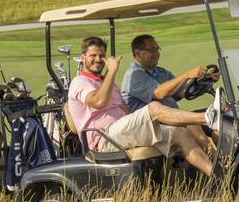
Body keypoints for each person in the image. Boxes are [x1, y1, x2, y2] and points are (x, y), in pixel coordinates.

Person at [68, 36, 222, 177]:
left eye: (101, 55)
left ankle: (218, 177)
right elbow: (98, 102)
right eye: (93, 56)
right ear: (83, 58)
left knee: (181, 132)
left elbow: (125, 110)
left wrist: (205, 79)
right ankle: (208, 118)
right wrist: (112, 71)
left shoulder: (107, 83)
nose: (98, 59)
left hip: (121, 132)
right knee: (154, 107)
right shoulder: (80, 82)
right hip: (103, 138)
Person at [122, 34, 219, 152]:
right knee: (191, 123)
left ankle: (227, 157)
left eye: (157, 49)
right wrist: (187, 74)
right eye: (151, 50)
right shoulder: (133, 75)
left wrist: (207, 80)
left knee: (220, 125)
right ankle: (215, 158)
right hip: (149, 125)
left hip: (170, 118)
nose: (156, 53)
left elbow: (184, 91)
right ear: (138, 54)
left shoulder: (161, 72)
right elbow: (159, 93)